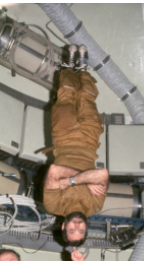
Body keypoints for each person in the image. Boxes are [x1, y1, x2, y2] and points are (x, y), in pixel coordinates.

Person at [42, 45, 108, 249]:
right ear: (87, 228)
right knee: (87, 97)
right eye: (81, 230)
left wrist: (81, 179)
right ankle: (82, 69)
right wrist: (69, 181)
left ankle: (69, 67)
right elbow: (103, 174)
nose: (77, 225)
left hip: (64, 137)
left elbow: (54, 171)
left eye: (72, 229)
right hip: (89, 139)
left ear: (63, 227)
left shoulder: (53, 205)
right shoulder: (96, 205)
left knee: (67, 95)